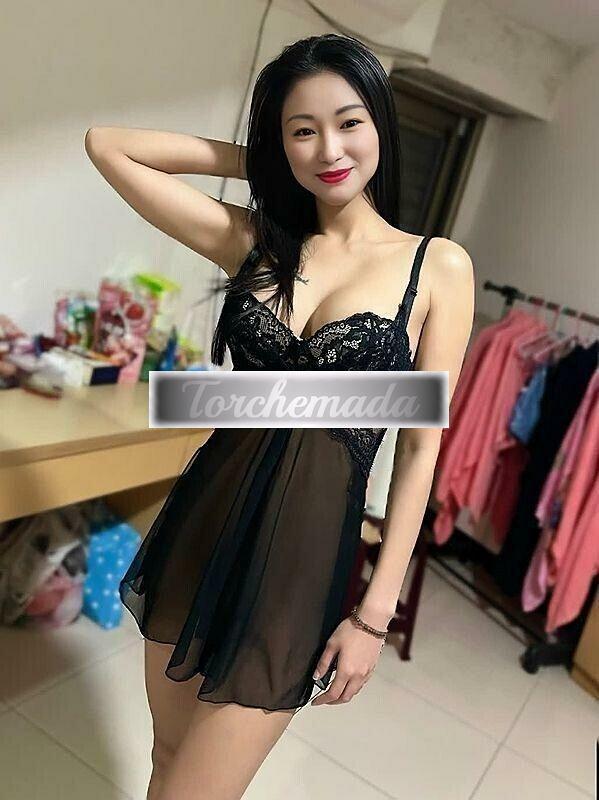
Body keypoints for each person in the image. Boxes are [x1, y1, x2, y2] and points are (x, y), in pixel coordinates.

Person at [85, 32, 474, 800]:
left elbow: (420, 449)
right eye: (303, 130)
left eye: (348, 122)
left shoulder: (436, 266)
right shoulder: (255, 243)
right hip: (204, 523)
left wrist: (373, 614)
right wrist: (265, 163)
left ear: (380, 123)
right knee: (166, 760)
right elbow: (109, 146)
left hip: (299, 563)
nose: (329, 148)